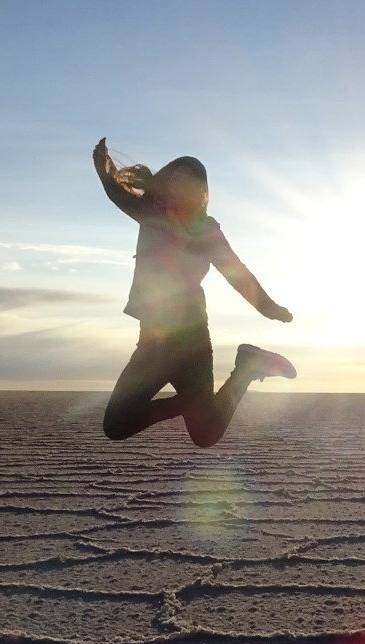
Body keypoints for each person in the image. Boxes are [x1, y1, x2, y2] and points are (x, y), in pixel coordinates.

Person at [92, 138, 297, 447]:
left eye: (188, 186)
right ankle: (229, 378)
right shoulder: (152, 214)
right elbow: (117, 195)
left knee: (204, 434)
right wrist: (104, 168)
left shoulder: (206, 231)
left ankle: (246, 369)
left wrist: (269, 308)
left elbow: (238, 274)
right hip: (154, 341)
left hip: (190, 339)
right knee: (117, 424)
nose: (179, 191)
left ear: (199, 192)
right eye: (175, 182)